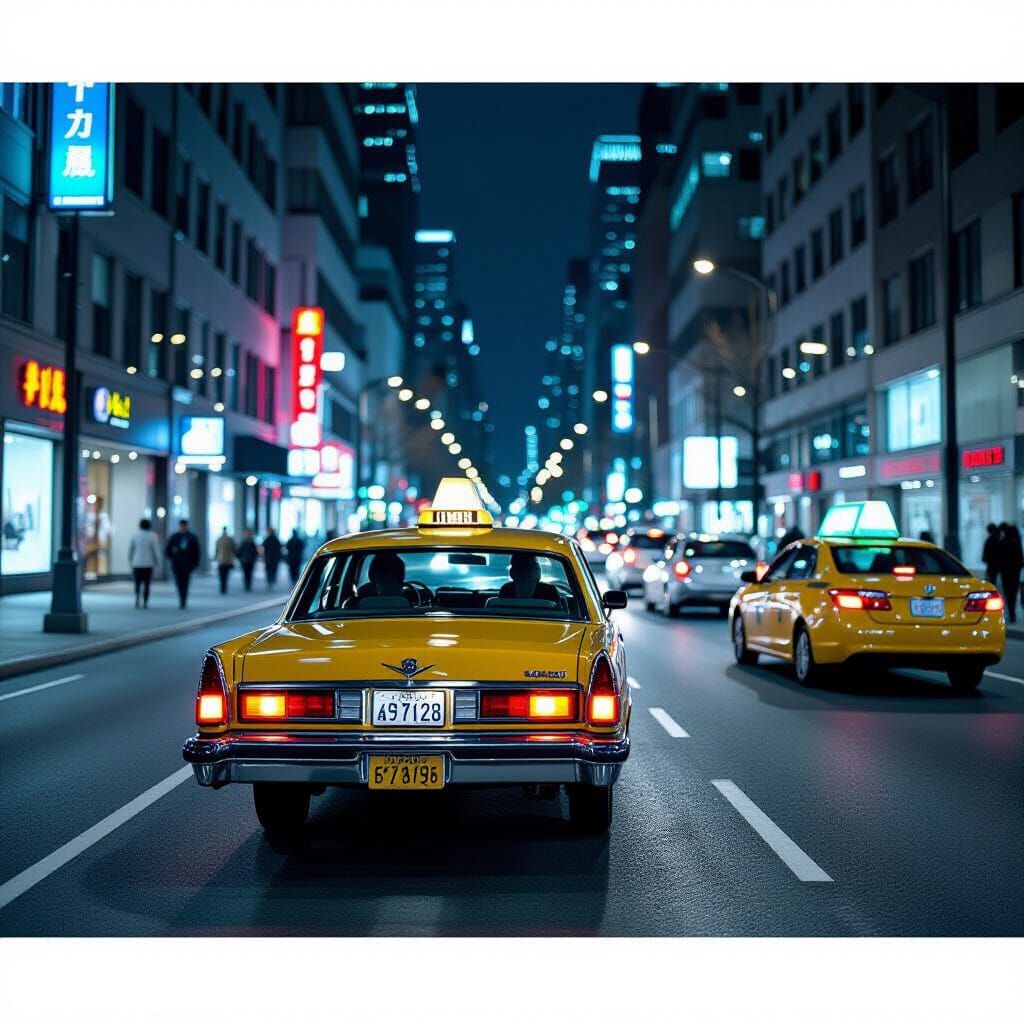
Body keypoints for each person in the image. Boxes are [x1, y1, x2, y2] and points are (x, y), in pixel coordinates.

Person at [165, 519, 200, 609]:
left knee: (185, 582)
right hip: (177, 563)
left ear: (186, 526)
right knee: (178, 582)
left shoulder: (191, 537)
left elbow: (196, 551)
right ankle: (181, 597)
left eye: (184, 526)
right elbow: (167, 550)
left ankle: (183, 600)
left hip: (187, 564)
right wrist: (173, 557)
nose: (182, 528)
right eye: (181, 526)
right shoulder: (175, 537)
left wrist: (195, 563)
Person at [127, 517, 162, 608]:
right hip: (148, 563)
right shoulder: (153, 535)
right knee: (147, 583)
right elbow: (156, 551)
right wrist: (158, 563)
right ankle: (145, 602)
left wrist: (130, 560)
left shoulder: (135, 535)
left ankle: (137, 598)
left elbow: (131, 550)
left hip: (137, 563)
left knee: (137, 582)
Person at [998, 523, 1023, 624]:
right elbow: (1021, 559)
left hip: (1005, 572)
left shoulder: (1003, 542)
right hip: (1015, 572)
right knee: (1013, 592)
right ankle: (1013, 613)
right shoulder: (1017, 543)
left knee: (1008, 592)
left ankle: (1010, 611)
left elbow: (999, 558)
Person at [214, 526, 238, 595]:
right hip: (228, 560)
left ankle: (222, 588)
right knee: (226, 575)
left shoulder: (219, 539)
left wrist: (215, 557)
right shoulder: (230, 539)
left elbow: (216, 550)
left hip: (221, 560)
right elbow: (234, 549)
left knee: (222, 575)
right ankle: (224, 588)